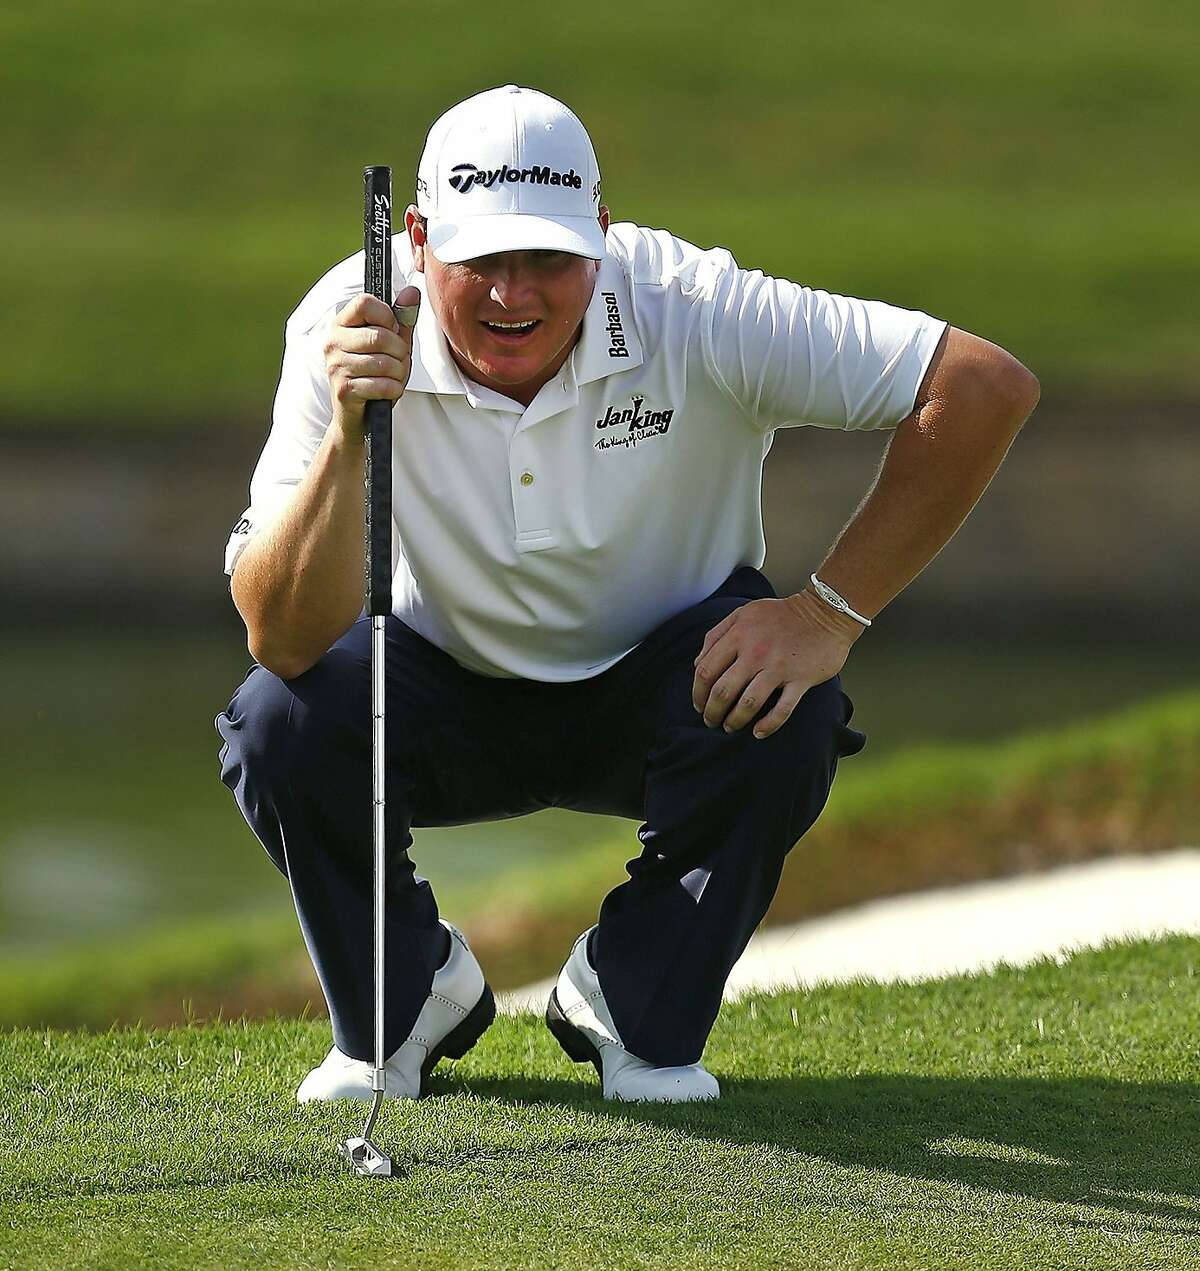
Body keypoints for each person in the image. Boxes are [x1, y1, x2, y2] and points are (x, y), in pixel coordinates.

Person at [215, 83, 1038, 1106]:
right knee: (278, 722)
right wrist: (349, 436)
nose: (515, 294)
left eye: (551, 259)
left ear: (601, 235)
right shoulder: (344, 328)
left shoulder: (693, 308)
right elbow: (282, 637)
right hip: (434, 687)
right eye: (482, 262)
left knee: (794, 708)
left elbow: (980, 385)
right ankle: (408, 994)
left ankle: (626, 997)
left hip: (671, 691)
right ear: (418, 239)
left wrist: (825, 614)